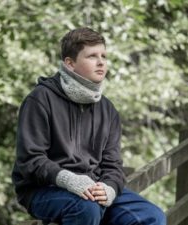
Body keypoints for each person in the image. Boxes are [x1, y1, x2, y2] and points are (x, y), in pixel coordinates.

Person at [12, 27, 166, 225]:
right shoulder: (40, 99)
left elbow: (113, 166)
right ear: (70, 63)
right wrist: (69, 180)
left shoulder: (107, 109)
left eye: (103, 55)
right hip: (43, 190)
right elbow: (31, 160)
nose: (101, 62)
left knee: (152, 216)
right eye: (92, 56)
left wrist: (109, 188)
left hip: (93, 189)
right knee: (85, 208)